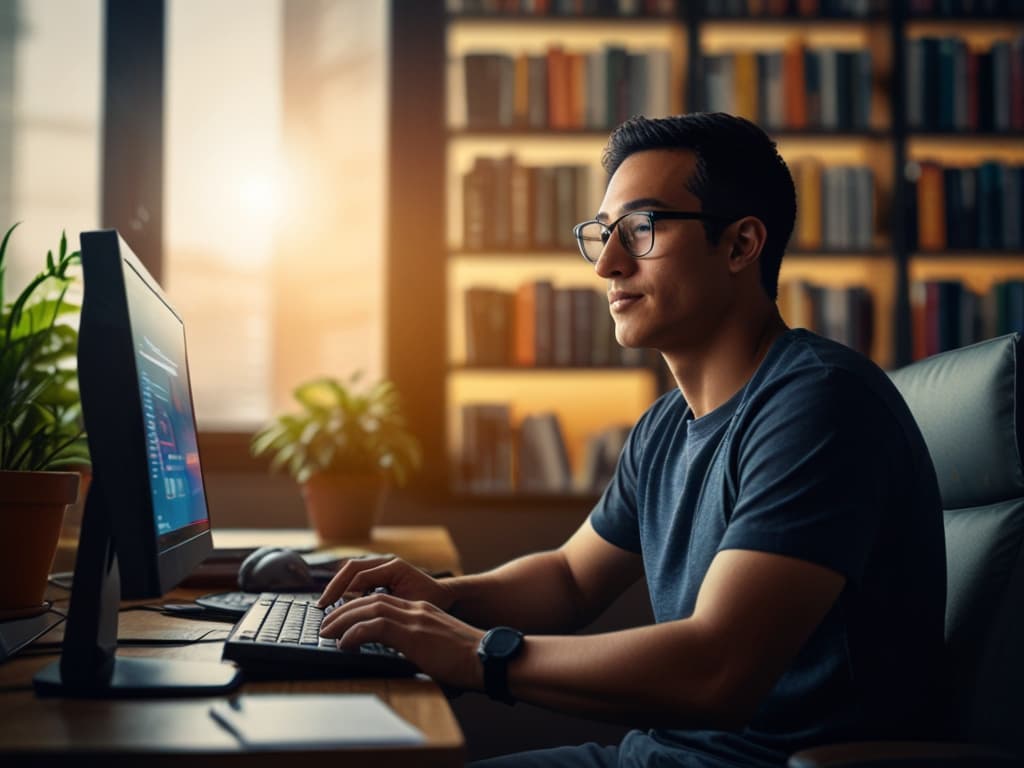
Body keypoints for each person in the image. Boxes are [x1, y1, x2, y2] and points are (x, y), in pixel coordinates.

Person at [317, 113, 947, 767]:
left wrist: (476, 654)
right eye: (603, 234)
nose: (608, 265)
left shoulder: (818, 405)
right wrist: (447, 596)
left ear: (740, 245)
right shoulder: (665, 425)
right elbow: (568, 580)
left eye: (642, 229)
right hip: (653, 756)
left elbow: (717, 670)